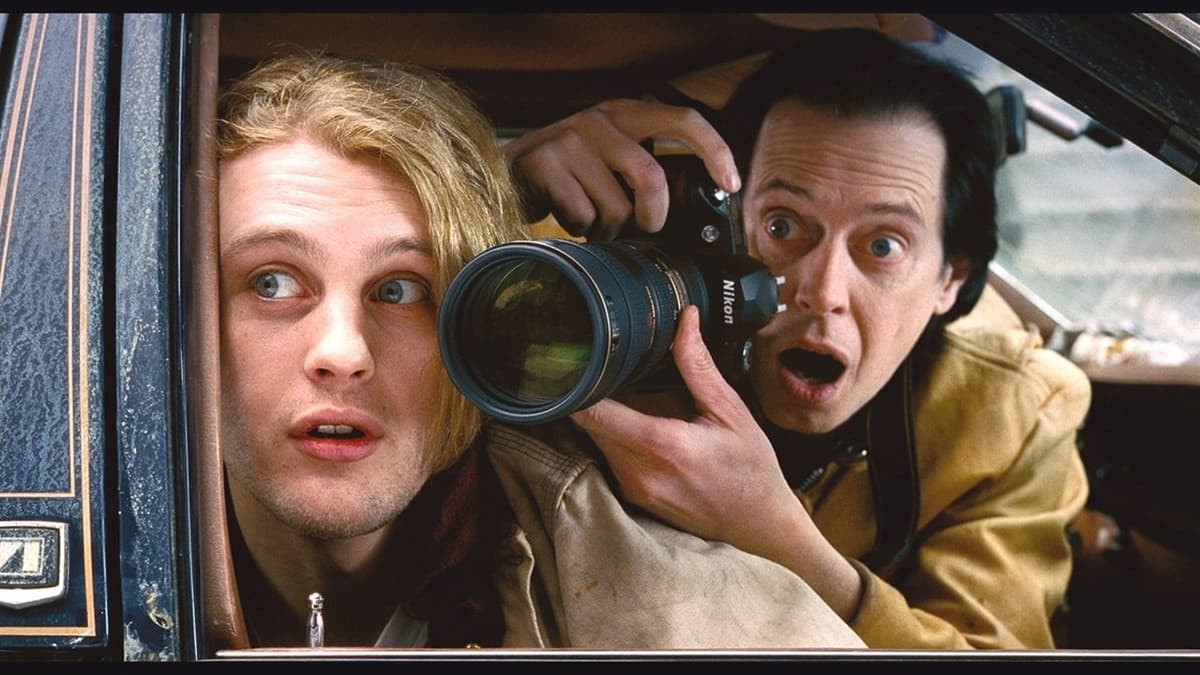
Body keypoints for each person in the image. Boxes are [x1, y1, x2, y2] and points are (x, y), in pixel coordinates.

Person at [216, 51, 864, 649]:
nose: (342, 351)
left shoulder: (670, 610)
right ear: (184, 315)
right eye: (272, 283)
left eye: (402, 290)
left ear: (475, 322)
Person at [503, 27, 1091, 649]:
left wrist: (778, 538)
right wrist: (503, 187)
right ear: (733, 220)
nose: (822, 290)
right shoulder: (607, 300)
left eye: (883, 246)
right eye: (782, 226)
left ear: (951, 279)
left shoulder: (1015, 414)